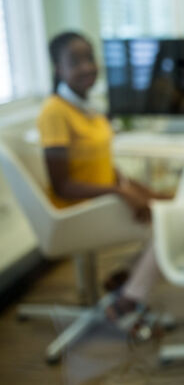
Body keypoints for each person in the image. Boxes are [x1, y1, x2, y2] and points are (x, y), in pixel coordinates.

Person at [37, 31, 166, 332]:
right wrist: (120, 192)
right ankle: (127, 297)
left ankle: (125, 279)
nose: (86, 67)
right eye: (75, 61)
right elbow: (63, 186)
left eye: (89, 58)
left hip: (102, 197)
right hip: (76, 208)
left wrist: (144, 192)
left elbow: (104, 168)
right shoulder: (55, 111)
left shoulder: (88, 107)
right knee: (171, 222)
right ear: (58, 68)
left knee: (170, 205)